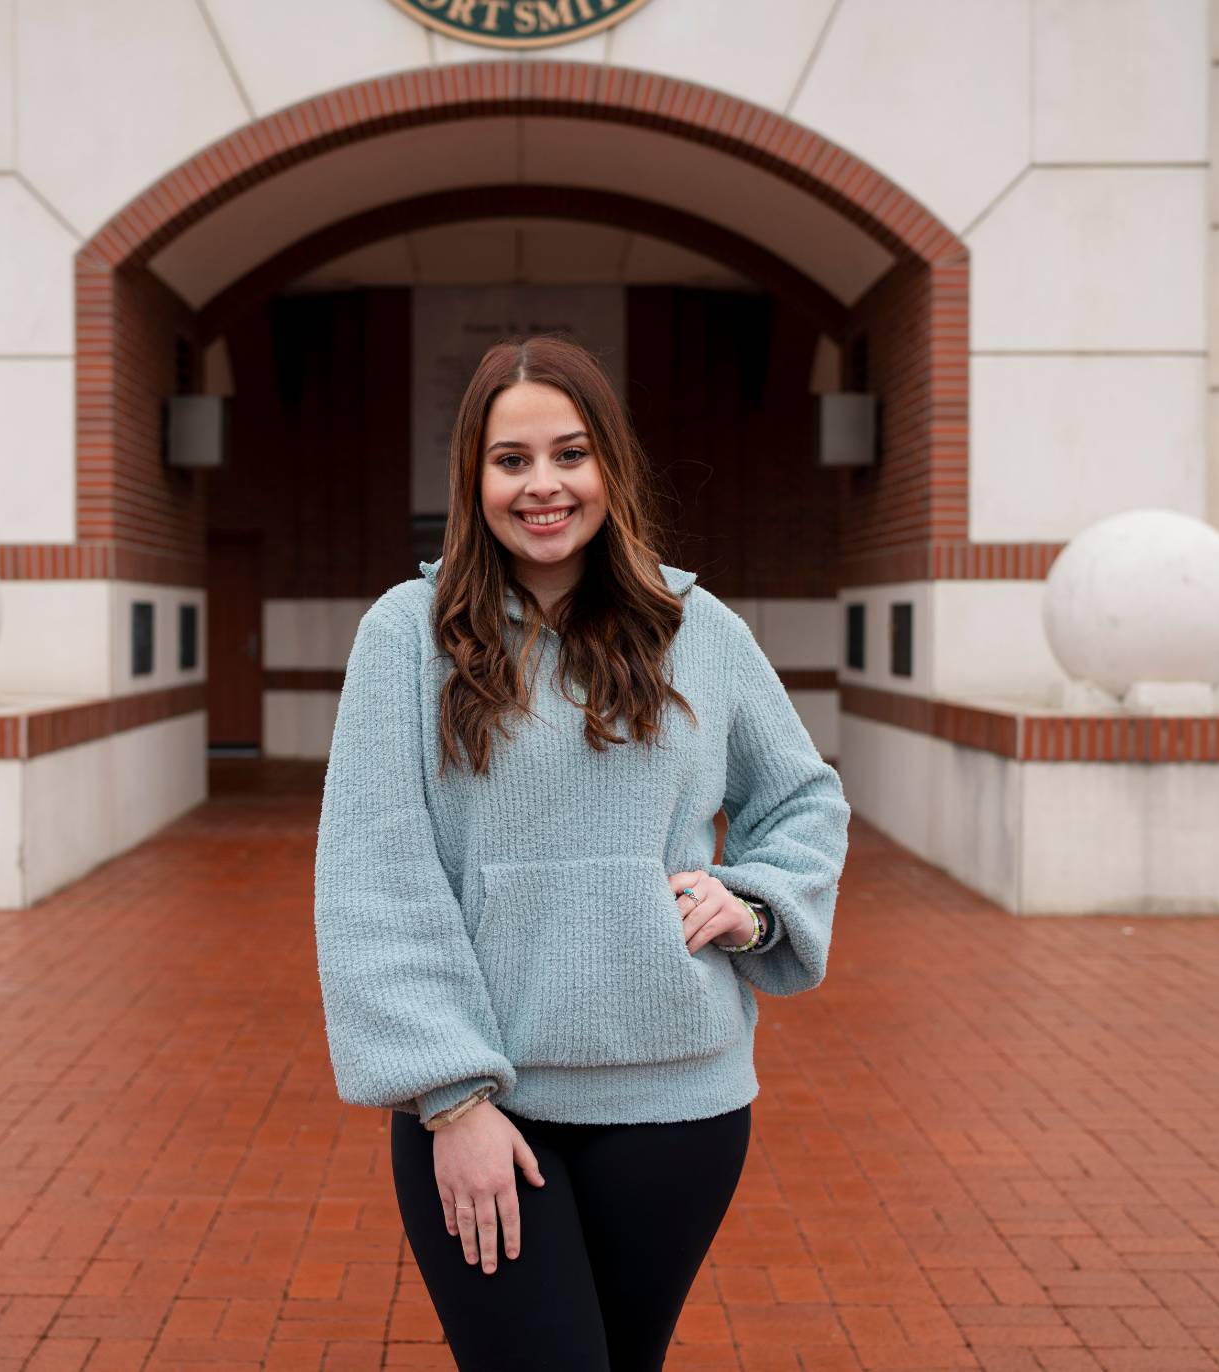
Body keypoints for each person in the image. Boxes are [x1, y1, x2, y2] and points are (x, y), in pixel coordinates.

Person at [311, 333, 851, 1370]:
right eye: (512, 460)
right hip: (487, 1109)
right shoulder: (405, 636)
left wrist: (757, 903)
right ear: (474, 479)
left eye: (570, 453)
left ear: (610, 466)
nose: (544, 485)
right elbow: (375, 879)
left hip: (680, 1106)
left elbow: (802, 798)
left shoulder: (698, 627)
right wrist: (453, 1099)